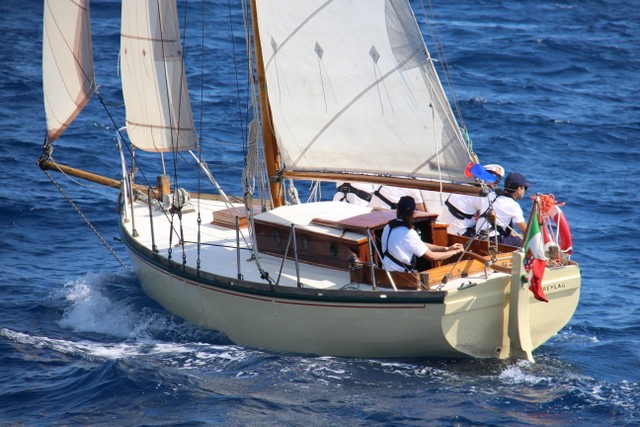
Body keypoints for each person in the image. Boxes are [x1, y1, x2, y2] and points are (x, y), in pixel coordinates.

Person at [381, 196, 464, 272]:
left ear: (398, 210)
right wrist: (455, 252)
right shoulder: (408, 233)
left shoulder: (388, 227)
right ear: (413, 213)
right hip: (401, 276)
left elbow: (419, 244)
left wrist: (447, 248)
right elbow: (432, 257)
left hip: (385, 272)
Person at [438, 164, 505, 236]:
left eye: (496, 182)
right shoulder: (481, 195)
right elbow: (495, 215)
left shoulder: (463, 185)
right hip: (459, 233)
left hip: (447, 228)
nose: (493, 185)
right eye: (492, 180)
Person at [475, 172, 530, 246]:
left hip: (479, 235)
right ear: (519, 188)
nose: (525, 191)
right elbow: (526, 231)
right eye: (525, 188)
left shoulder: (491, 195)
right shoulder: (513, 205)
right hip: (492, 240)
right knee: (521, 240)